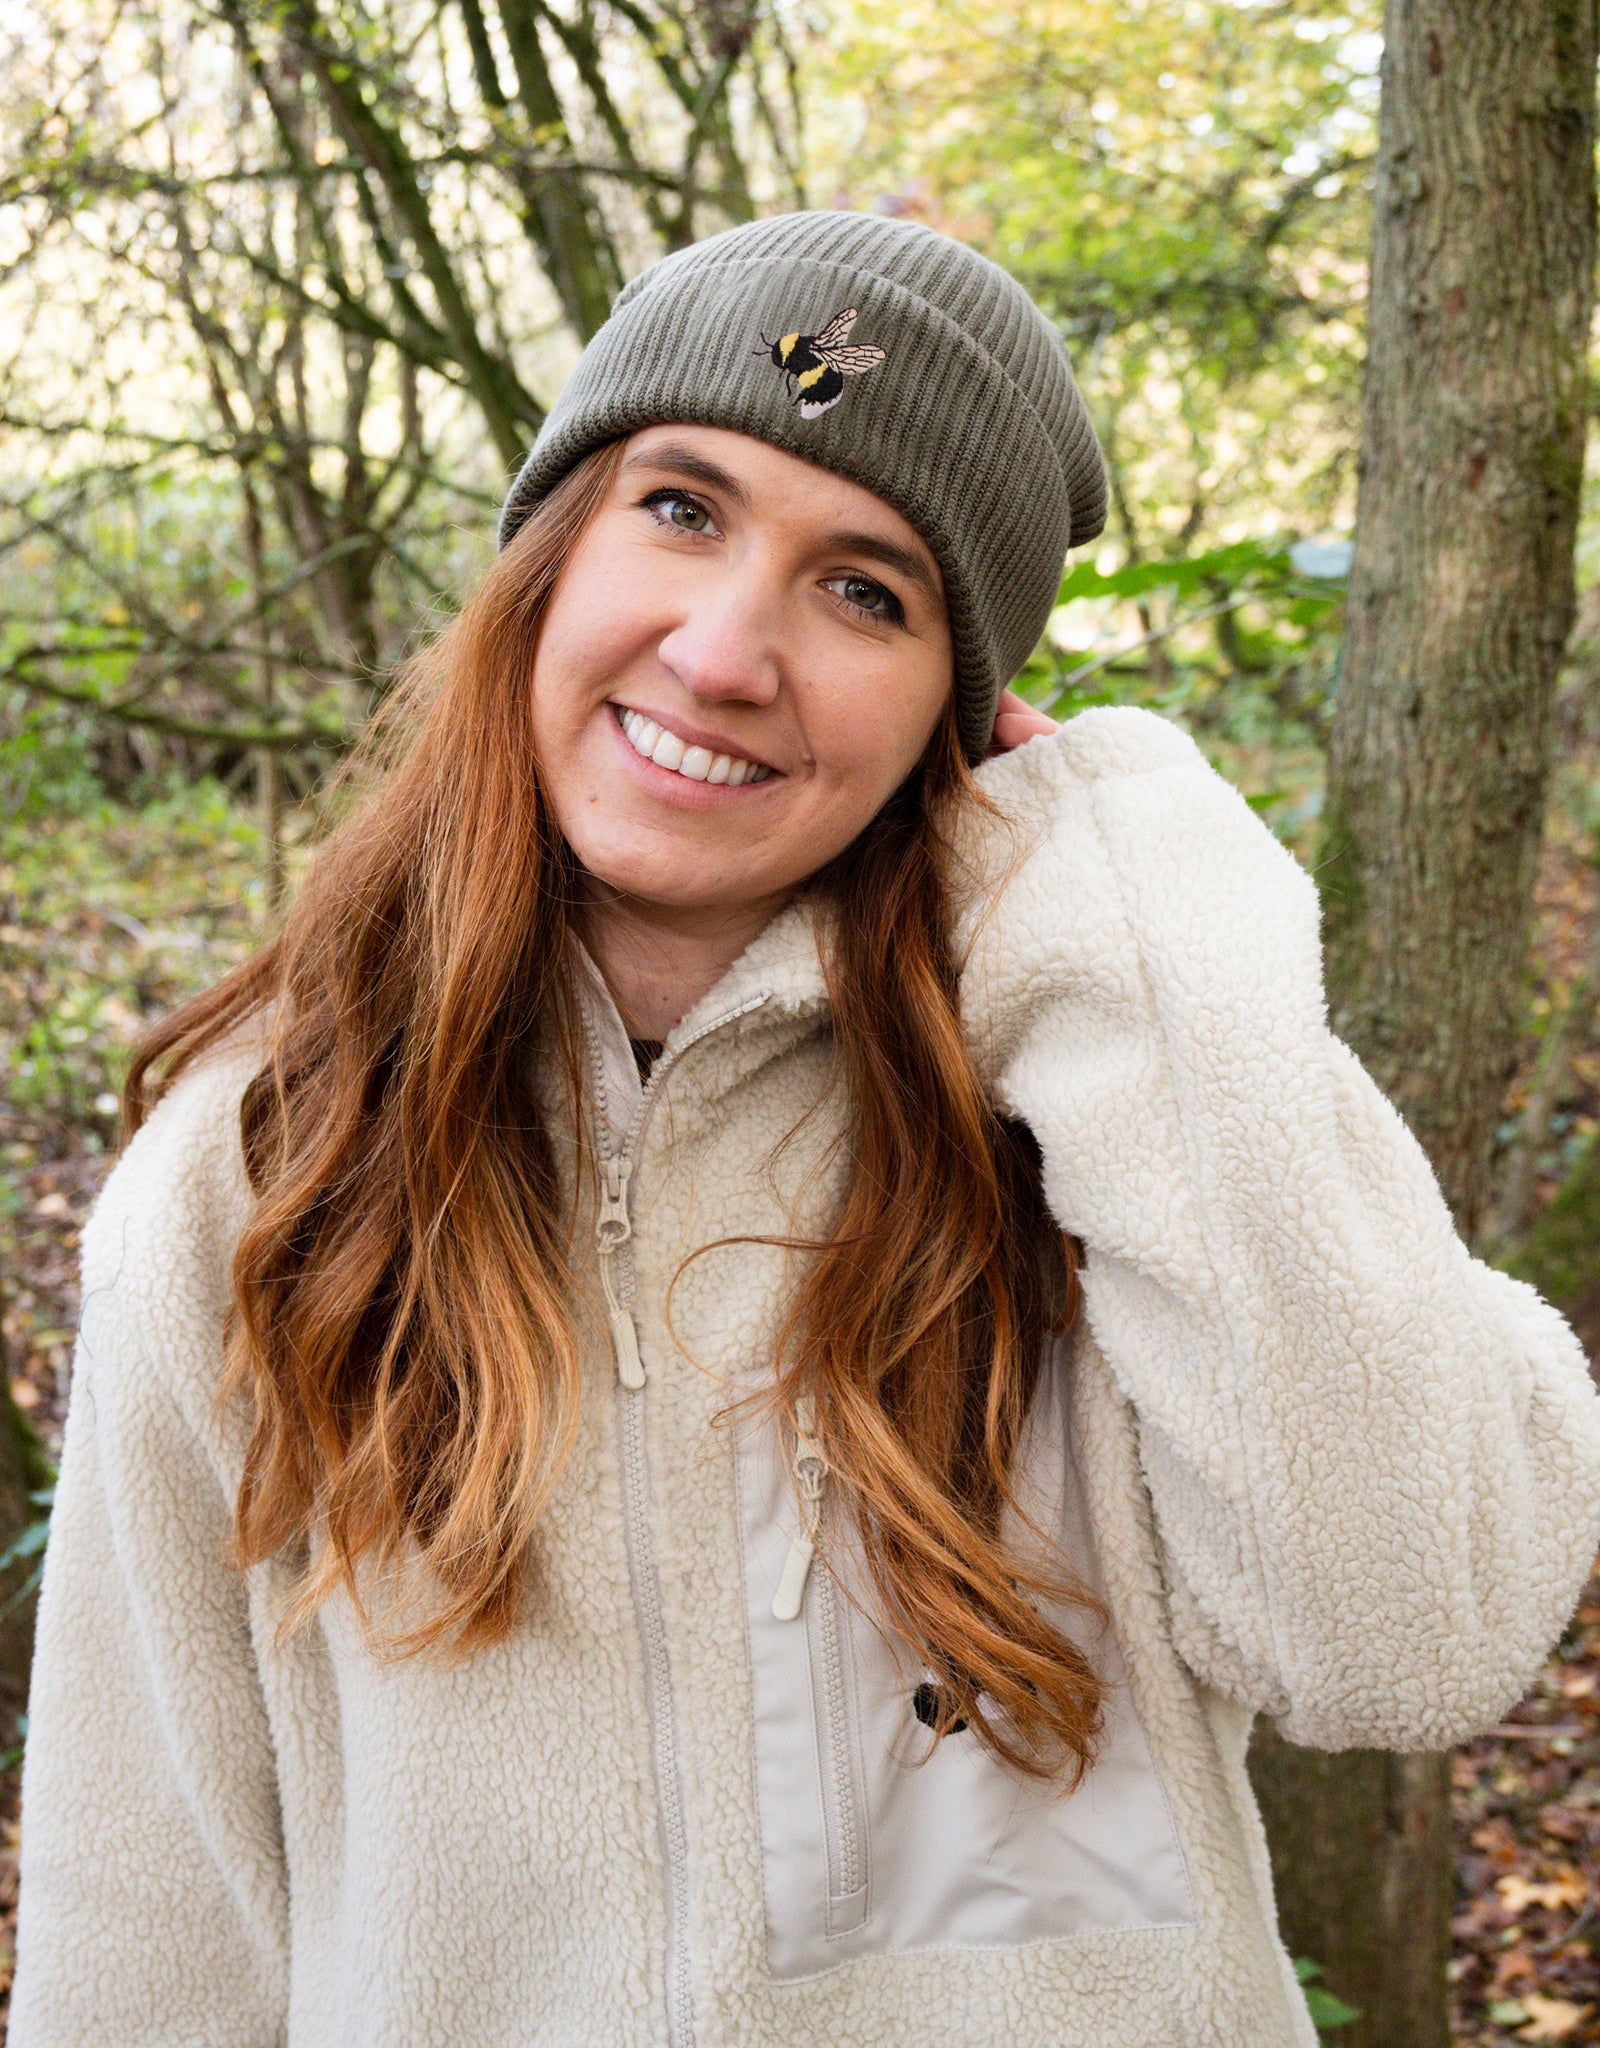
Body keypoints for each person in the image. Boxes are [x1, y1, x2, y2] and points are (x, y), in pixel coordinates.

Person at [10, 210, 1600, 2048]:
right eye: (679, 508)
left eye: (867, 590)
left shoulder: (1107, 1112)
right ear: (549, 553)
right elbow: (151, 1934)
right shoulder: (256, 1168)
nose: (723, 649)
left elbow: (1410, 1632)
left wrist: (1135, 903)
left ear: (964, 703)